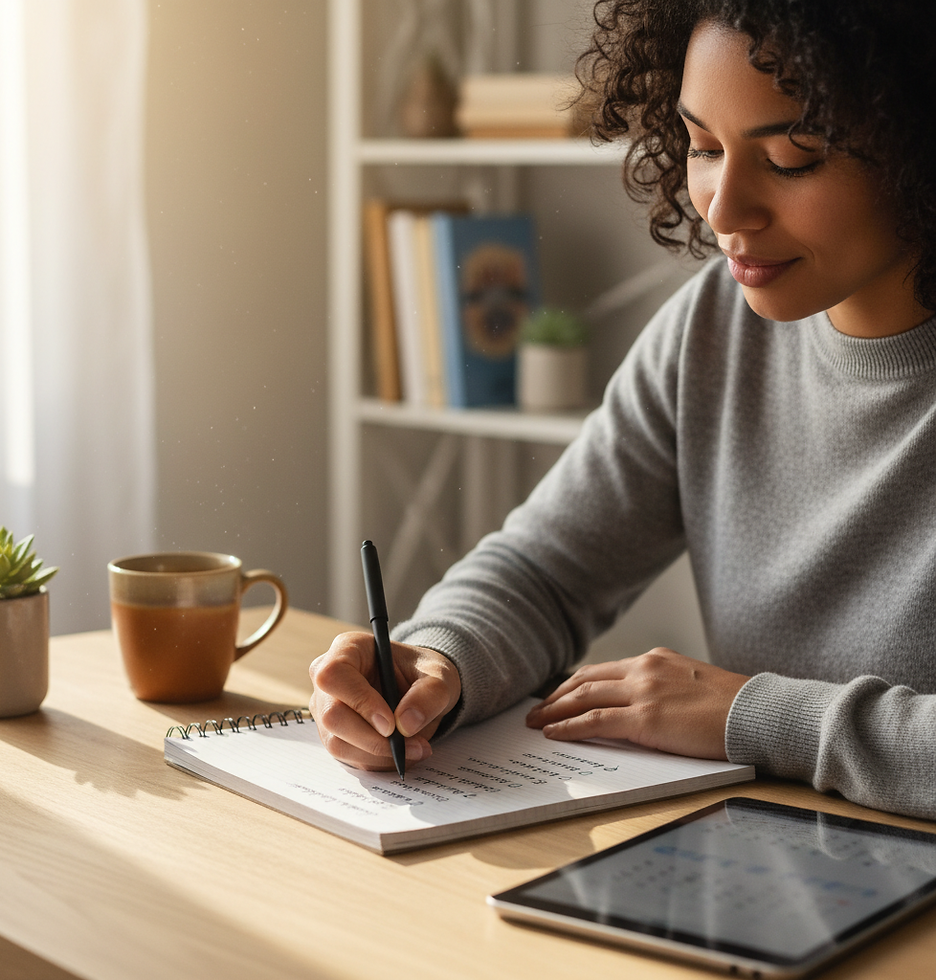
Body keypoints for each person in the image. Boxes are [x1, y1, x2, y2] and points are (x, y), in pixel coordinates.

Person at [310, 0, 936, 820]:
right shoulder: (714, 326)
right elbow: (546, 571)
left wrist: (757, 717)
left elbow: (756, 723)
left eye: (791, 157)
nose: (721, 208)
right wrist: (437, 658)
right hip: (787, 862)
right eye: (703, 147)